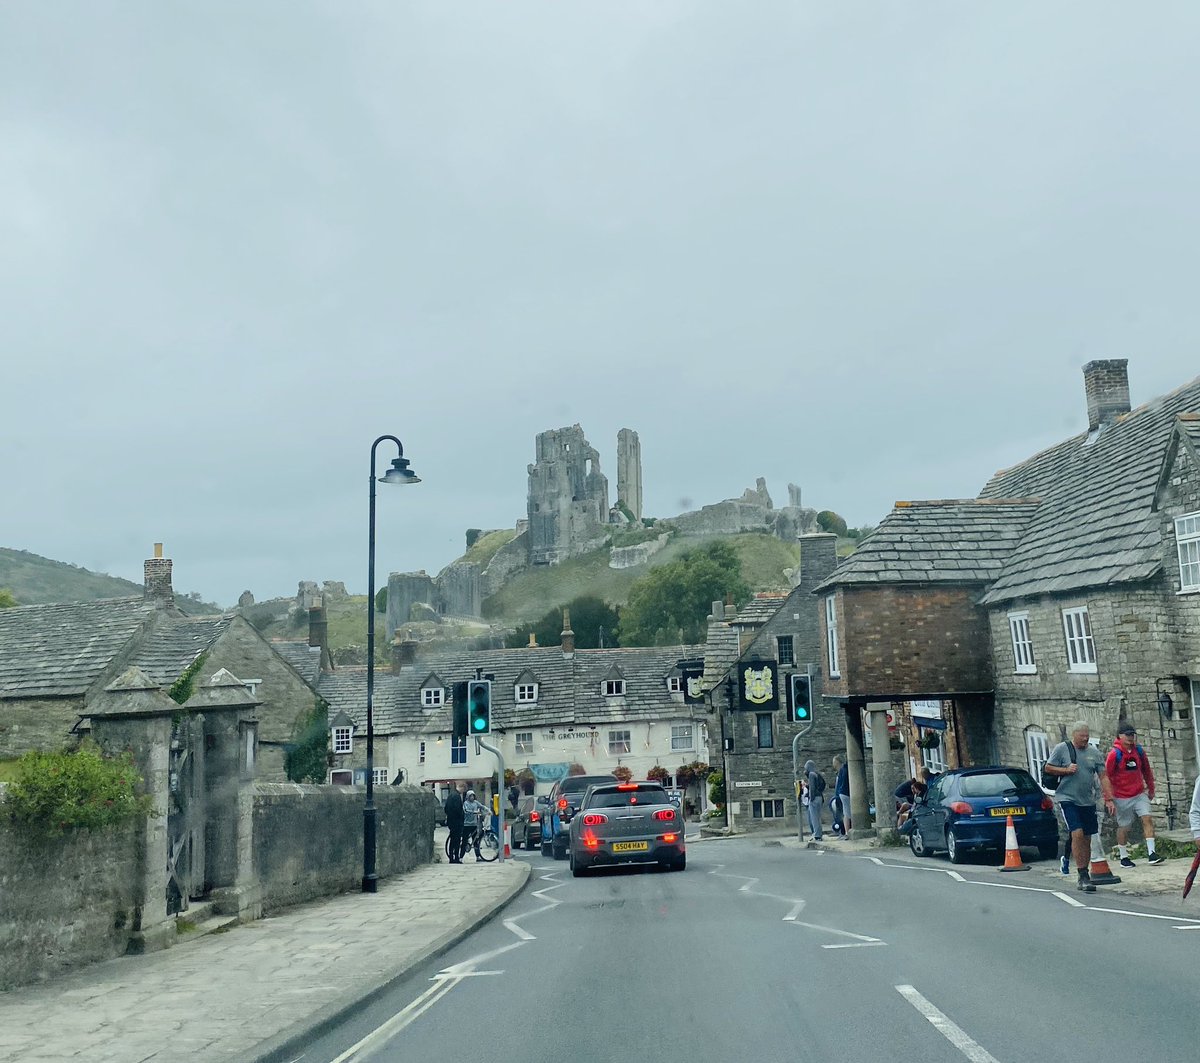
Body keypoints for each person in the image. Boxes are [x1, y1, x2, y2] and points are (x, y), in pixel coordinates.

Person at [1044, 721, 1115, 893]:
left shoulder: (1094, 753)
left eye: (1087, 736)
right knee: (1077, 833)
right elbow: (1048, 767)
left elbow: (1103, 776)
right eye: (1082, 736)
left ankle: (1085, 872)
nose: (1085, 739)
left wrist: (1109, 799)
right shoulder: (1062, 749)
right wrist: (1065, 770)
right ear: (1074, 735)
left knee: (1088, 837)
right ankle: (1082, 874)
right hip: (1067, 798)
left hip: (1087, 800)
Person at [1104, 722, 1162, 867]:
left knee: (1147, 818)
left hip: (1139, 793)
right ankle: (1124, 856)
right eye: (1127, 735)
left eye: (1132, 735)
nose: (1130, 738)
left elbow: (1146, 770)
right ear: (1120, 736)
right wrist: (1108, 798)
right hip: (1121, 796)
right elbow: (1106, 777)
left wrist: (1151, 788)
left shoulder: (1139, 751)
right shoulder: (1114, 754)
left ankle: (1152, 853)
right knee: (1124, 827)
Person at [894, 768, 929, 832]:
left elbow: (917, 804)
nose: (912, 791)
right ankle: (899, 824)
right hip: (911, 806)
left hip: (915, 811)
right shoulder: (916, 794)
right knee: (904, 806)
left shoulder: (920, 795)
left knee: (903, 813)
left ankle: (899, 829)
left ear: (917, 788)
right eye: (912, 789)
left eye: (913, 789)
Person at [462, 789, 488, 861]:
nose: (472, 798)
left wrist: (488, 810)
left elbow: (482, 806)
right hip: (467, 824)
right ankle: (461, 857)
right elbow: (466, 811)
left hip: (474, 824)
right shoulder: (465, 803)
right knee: (464, 841)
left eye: (473, 796)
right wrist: (474, 812)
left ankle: (478, 856)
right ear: (468, 797)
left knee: (476, 841)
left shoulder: (476, 803)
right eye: (470, 796)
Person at [803, 759, 825, 841]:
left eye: (806, 768)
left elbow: (812, 788)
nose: (805, 770)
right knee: (818, 817)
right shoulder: (817, 774)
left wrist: (811, 798)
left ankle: (816, 835)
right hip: (819, 797)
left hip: (814, 798)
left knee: (814, 818)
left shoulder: (811, 775)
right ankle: (819, 834)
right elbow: (822, 785)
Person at [444, 783, 466, 865]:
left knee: (452, 840)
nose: (463, 792)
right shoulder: (457, 796)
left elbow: (446, 808)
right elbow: (458, 809)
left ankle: (451, 857)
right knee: (456, 840)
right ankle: (456, 857)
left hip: (451, 820)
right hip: (457, 821)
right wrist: (461, 817)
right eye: (463, 789)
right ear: (461, 788)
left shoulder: (450, 795)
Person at [834, 755, 851, 835]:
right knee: (848, 813)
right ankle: (847, 832)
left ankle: (846, 831)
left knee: (845, 813)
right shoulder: (847, 769)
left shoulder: (841, 770)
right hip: (846, 792)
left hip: (841, 793)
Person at [830, 756, 846, 837]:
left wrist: (839, 794)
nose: (833, 764)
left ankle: (843, 832)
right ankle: (840, 831)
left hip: (841, 795)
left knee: (842, 815)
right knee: (838, 815)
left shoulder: (842, 771)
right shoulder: (838, 772)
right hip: (838, 796)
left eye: (834, 762)